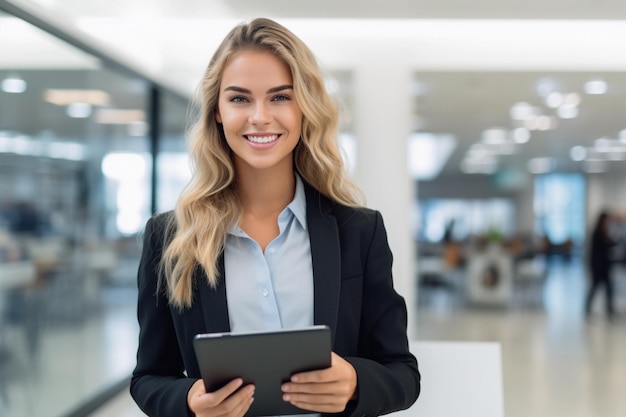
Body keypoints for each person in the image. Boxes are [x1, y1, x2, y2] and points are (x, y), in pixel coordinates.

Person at [130, 17, 420, 417]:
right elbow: (148, 378)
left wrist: (354, 382)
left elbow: (403, 373)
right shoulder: (169, 238)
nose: (260, 116)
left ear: (305, 108)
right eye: (240, 99)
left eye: (281, 97)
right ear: (217, 111)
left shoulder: (359, 231)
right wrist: (189, 401)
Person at [585, 210, 618, 320]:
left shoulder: (603, 232)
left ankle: (610, 311)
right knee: (594, 288)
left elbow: (608, 244)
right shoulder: (597, 233)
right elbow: (602, 249)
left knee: (609, 289)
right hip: (598, 267)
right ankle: (587, 310)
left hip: (605, 266)